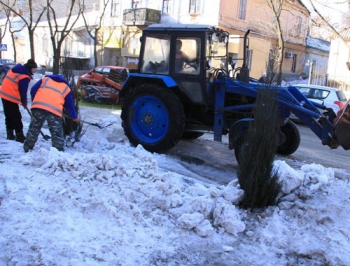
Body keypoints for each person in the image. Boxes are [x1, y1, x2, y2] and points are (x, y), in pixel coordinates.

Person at [23, 75, 79, 152]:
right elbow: (69, 105)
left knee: (34, 128)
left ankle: (27, 147)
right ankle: (58, 150)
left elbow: (33, 90)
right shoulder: (66, 87)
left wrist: (35, 101)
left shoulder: (45, 80)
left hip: (38, 106)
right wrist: (74, 117)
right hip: (54, 111)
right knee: (56, 131)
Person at [0, 59, 37, 142]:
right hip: (10, 96)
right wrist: (24, 102)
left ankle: (10, 134)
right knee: (16, 116)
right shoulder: (24, 76)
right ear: (30, 68)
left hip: (4, 94)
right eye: (35, 68)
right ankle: (19, 135)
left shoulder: (16, 70)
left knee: (9, 115)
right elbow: (23, 90)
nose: (35, 70)